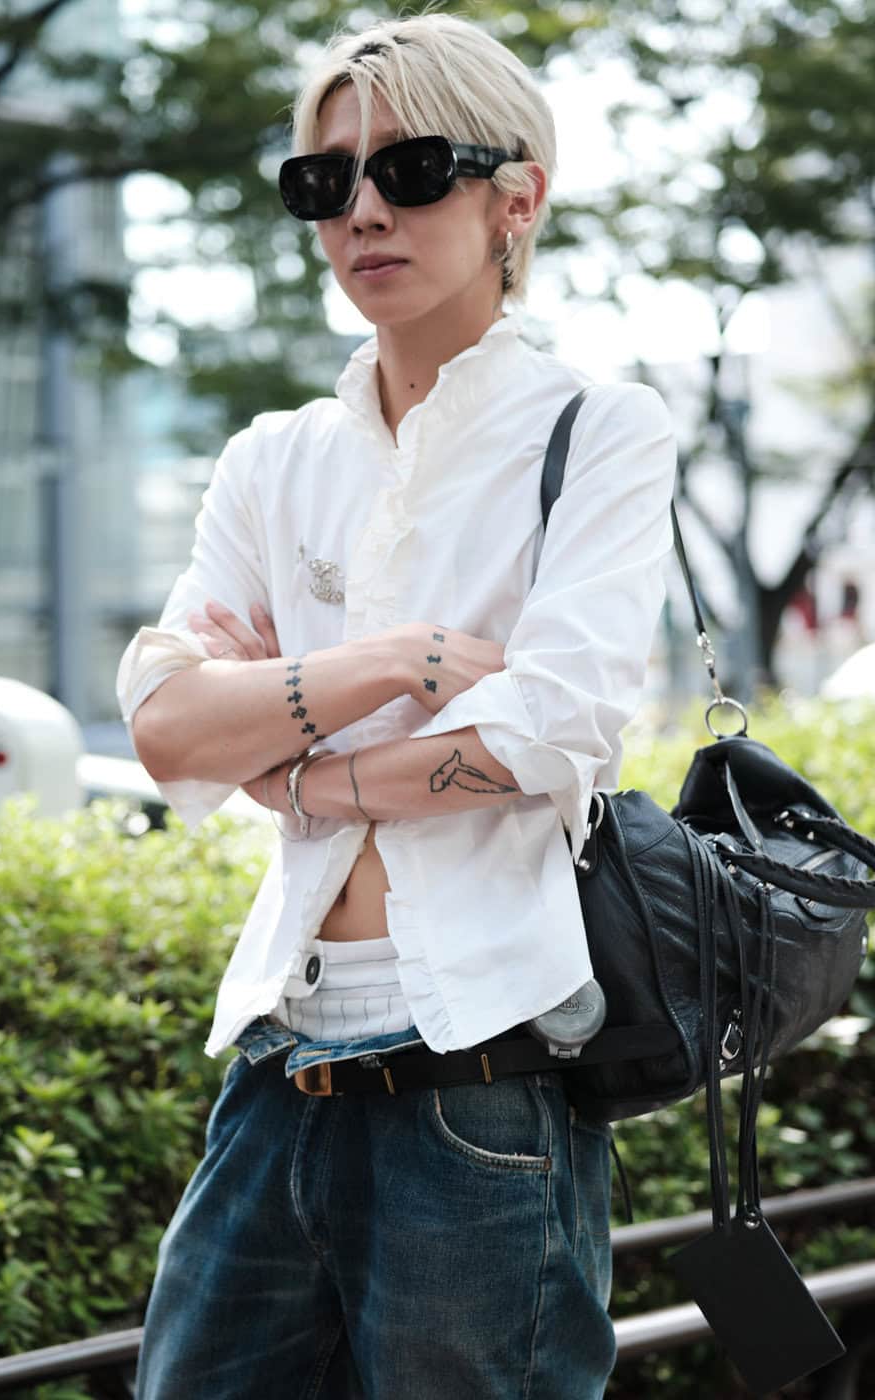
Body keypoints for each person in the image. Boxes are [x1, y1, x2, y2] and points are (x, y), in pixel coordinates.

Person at [114, 15, 677, 1399]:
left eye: (412, 171)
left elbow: (550, 726)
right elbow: (168, 725)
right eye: (326, 182)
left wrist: (298, 766)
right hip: (279, 1064)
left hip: (480, 1075)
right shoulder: (274, 461)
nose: (363, 211)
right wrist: (396, 665)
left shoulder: (596, 432)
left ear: (514, 200)